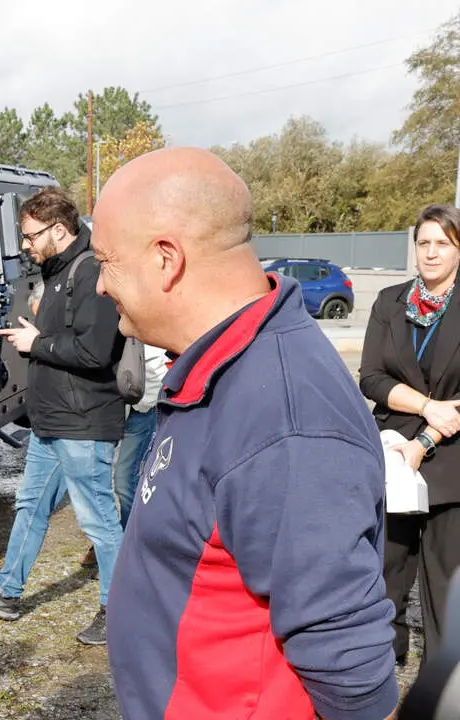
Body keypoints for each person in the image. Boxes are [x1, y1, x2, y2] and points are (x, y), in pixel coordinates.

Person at [97, 147, 397, 719]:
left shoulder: (286, 419)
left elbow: (351, 669)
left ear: (166, 259)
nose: (100, 286)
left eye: (106, 262)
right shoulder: (224, 366)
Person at [0, 187, 124, 646]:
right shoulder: (57, 272)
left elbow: (96, 351)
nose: (25, 245)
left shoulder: (91, 271)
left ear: (58, 229)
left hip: (83, 420)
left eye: (30, 236)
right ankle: (7, 593)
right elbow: (68, 337)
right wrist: (39, 333)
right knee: (29, 506)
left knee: (99, 522)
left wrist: (39, 344)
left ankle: (121, 610)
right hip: (52, 421)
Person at [360, 203, 460, 669]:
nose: (432, 253)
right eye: (424, 243)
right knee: (386, 571)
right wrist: (425, 408)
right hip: (394, 458)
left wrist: (427, 440)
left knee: (444, 581)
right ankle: (382, 664)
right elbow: (371, 377)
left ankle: (441, 682)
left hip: (452, 462)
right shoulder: (389, 301)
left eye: (443, 243)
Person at [111, 343, 169, 528]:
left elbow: (159, 366)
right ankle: (116, 538)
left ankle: (129, 536)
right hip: (111, 407)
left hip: (141, 408)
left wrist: (147, 402)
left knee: (125, 479)